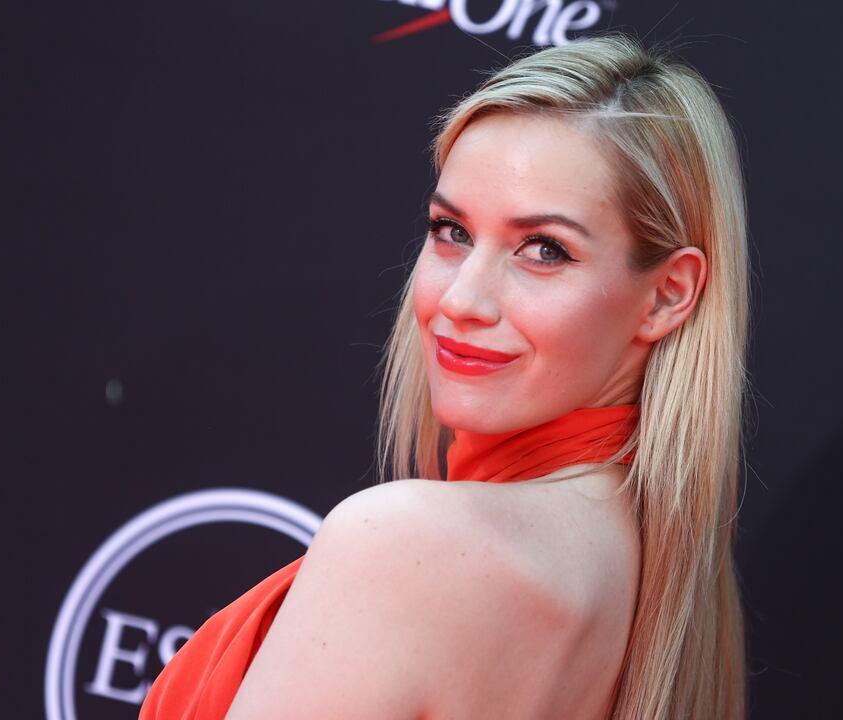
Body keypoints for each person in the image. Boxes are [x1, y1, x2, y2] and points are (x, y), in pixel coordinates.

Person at [139, 32, 751, 720]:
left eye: (544, 250)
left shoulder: (402, 547)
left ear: (668, 294)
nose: (461, 299)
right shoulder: (652, 582)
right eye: (452, 232)